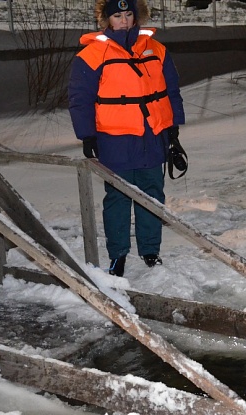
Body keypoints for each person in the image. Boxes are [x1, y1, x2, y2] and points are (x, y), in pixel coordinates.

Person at [68, 0, 185, 277]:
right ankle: (118, 255)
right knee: (118, 197)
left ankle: (150, 250)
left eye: (129, 14)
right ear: (106, 19)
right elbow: (79, 98)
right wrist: (87, 135)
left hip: (152, 135)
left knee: (152, 194)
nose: (124, 20)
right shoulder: (92, 54)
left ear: (136, 16)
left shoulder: (156, 49)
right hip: (114, 138)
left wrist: (173, 128)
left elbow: (171, 91)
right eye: (117, 15)